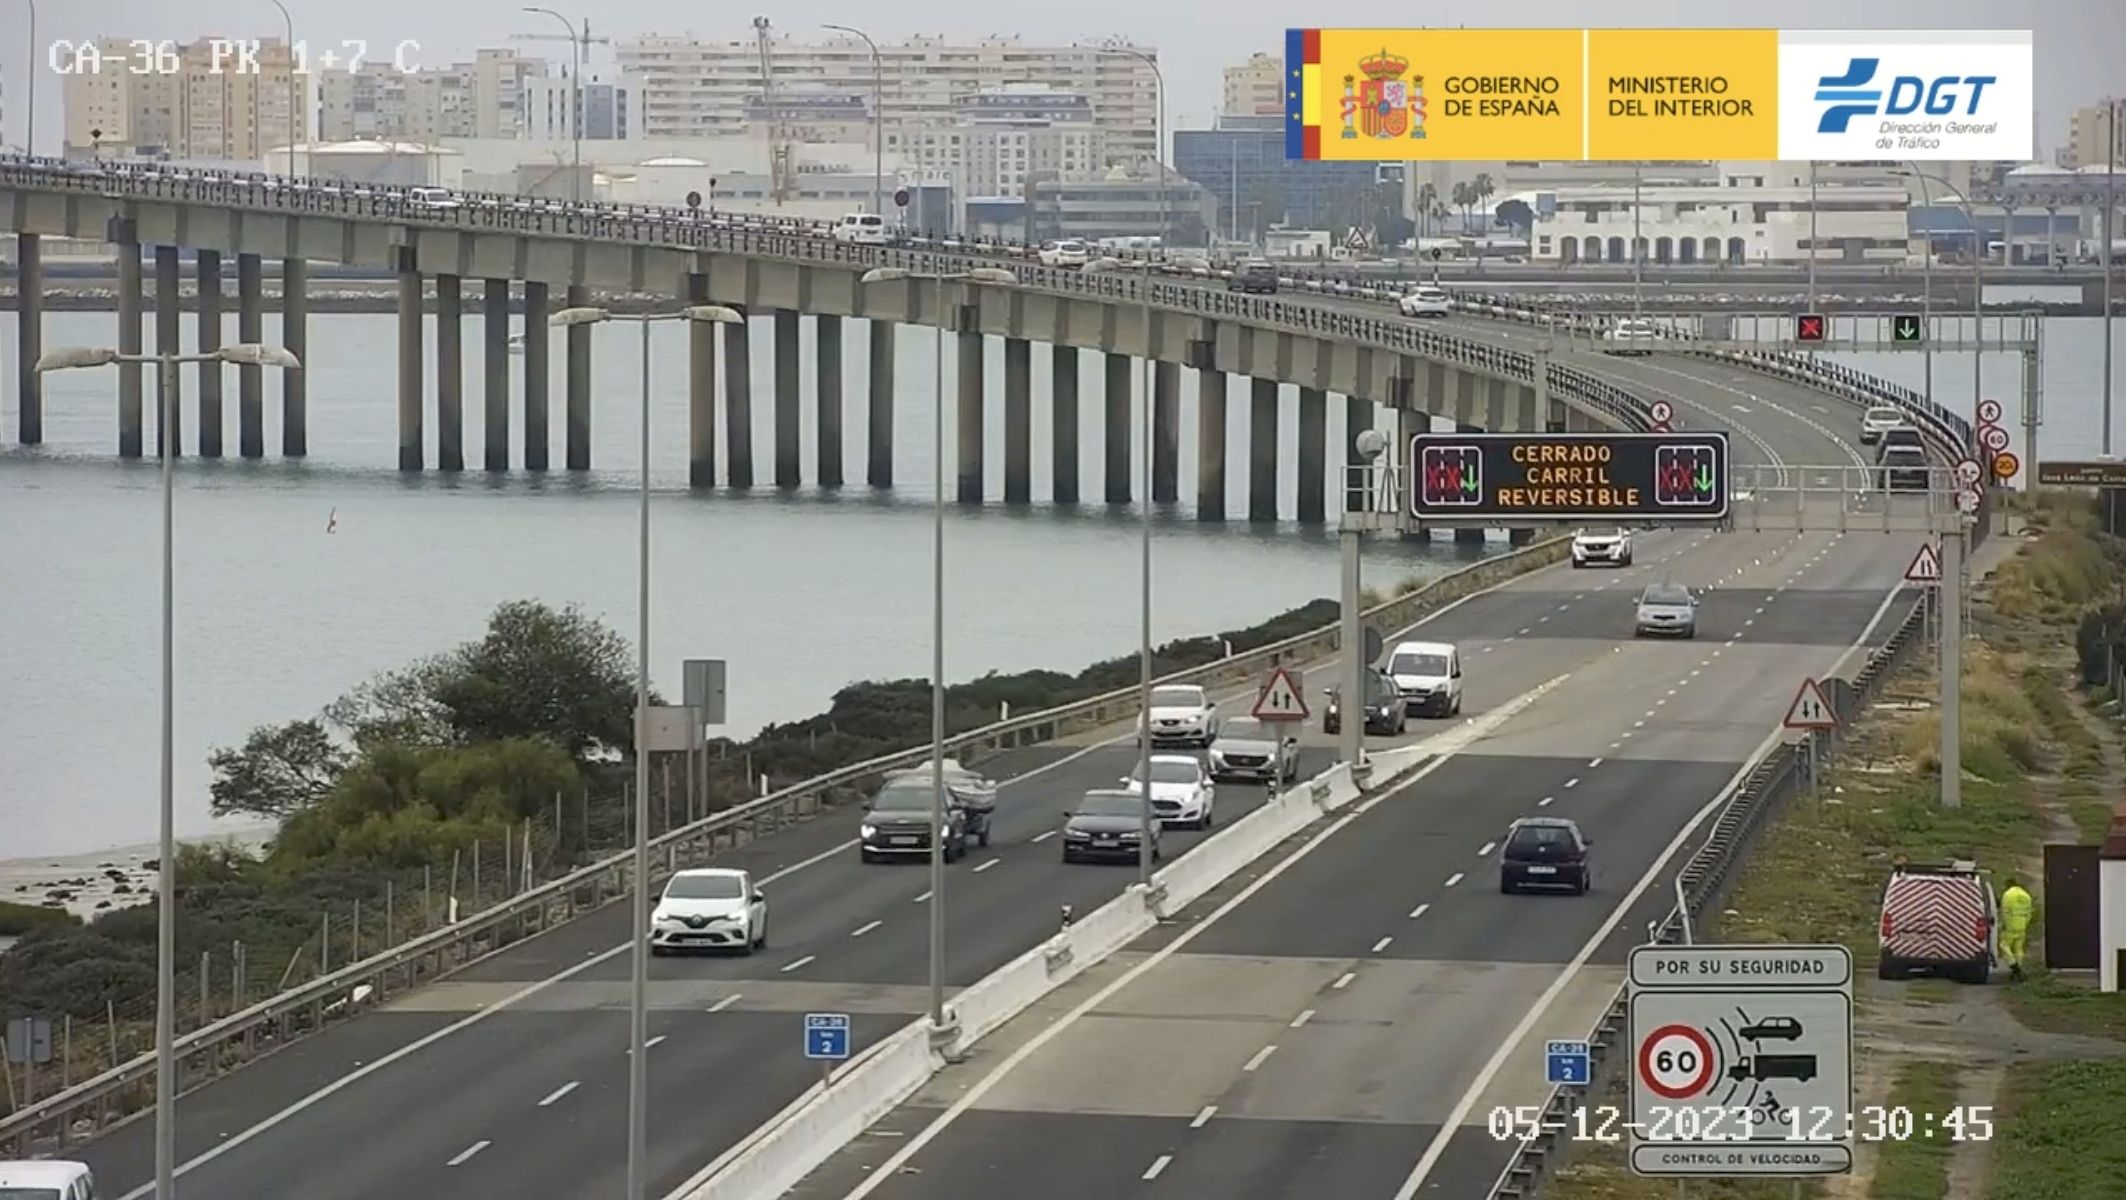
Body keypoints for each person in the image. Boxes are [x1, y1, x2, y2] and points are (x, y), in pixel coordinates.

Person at [2000, 875, 2035, 982]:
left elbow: (2005, 911)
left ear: (2008, 884)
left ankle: (2014, 967)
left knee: (2004, 946)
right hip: (2022, 925)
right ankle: (2018, 969)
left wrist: (2004, 924)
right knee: (2018, 949)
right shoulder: (2026, 895)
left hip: (2010, 925)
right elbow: (2030, 913)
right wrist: (2024, 923)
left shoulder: (2008, 895)